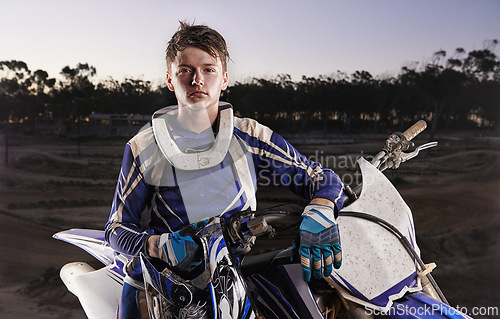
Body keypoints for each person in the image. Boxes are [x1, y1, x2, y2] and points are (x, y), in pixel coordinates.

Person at [105, 21, 345, 318]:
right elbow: (116, 229)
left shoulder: (251, 135)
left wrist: (321, 208)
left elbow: (319, 176)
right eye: (185, 70)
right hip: (172, 280)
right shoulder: (144, 147)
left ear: (225, 78)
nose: (197, 80)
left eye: (209, 69)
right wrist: (157, 246)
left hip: (238, 267)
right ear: (170, 79)